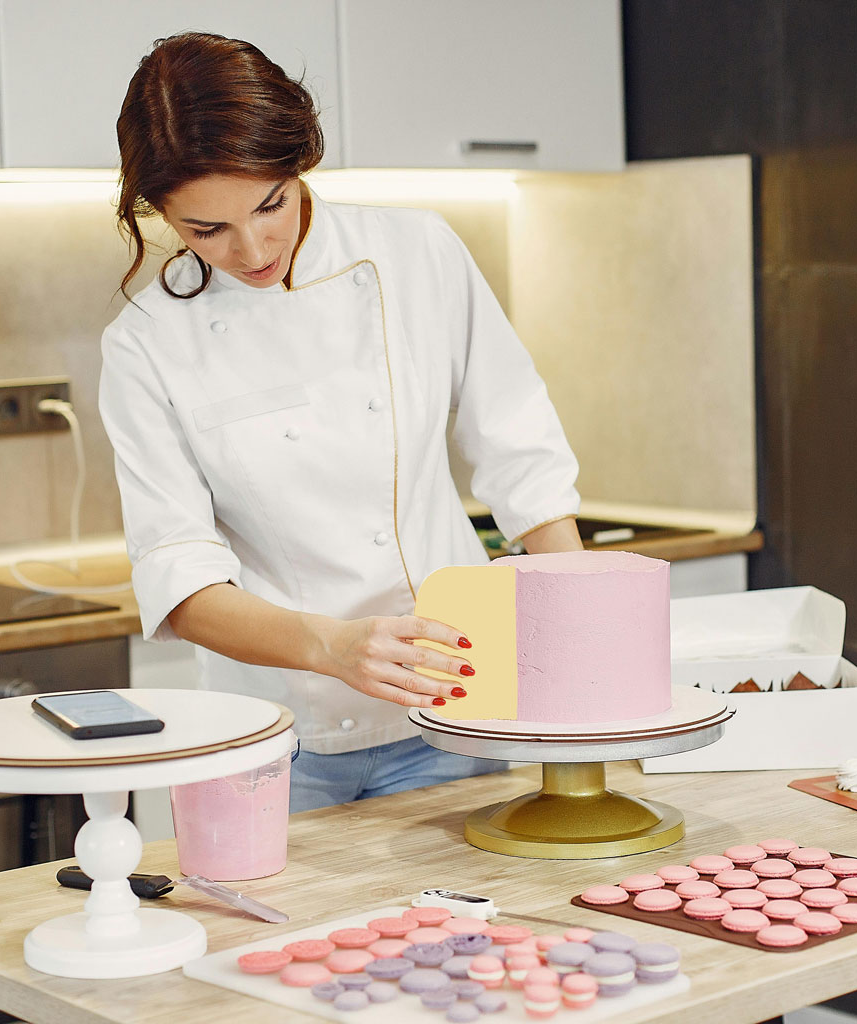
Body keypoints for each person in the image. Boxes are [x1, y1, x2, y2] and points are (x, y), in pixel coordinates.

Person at [99, 32, 583, 812]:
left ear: (301, 162)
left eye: (271, 204)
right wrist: (333, 646)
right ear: (160, 214)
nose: (253, 247)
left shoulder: (417, 251)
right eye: (206, 230)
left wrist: (582, 630)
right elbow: (179, 579)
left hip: (454, 707)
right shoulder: (146, 342)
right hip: (273, 735)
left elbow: (520, 448)